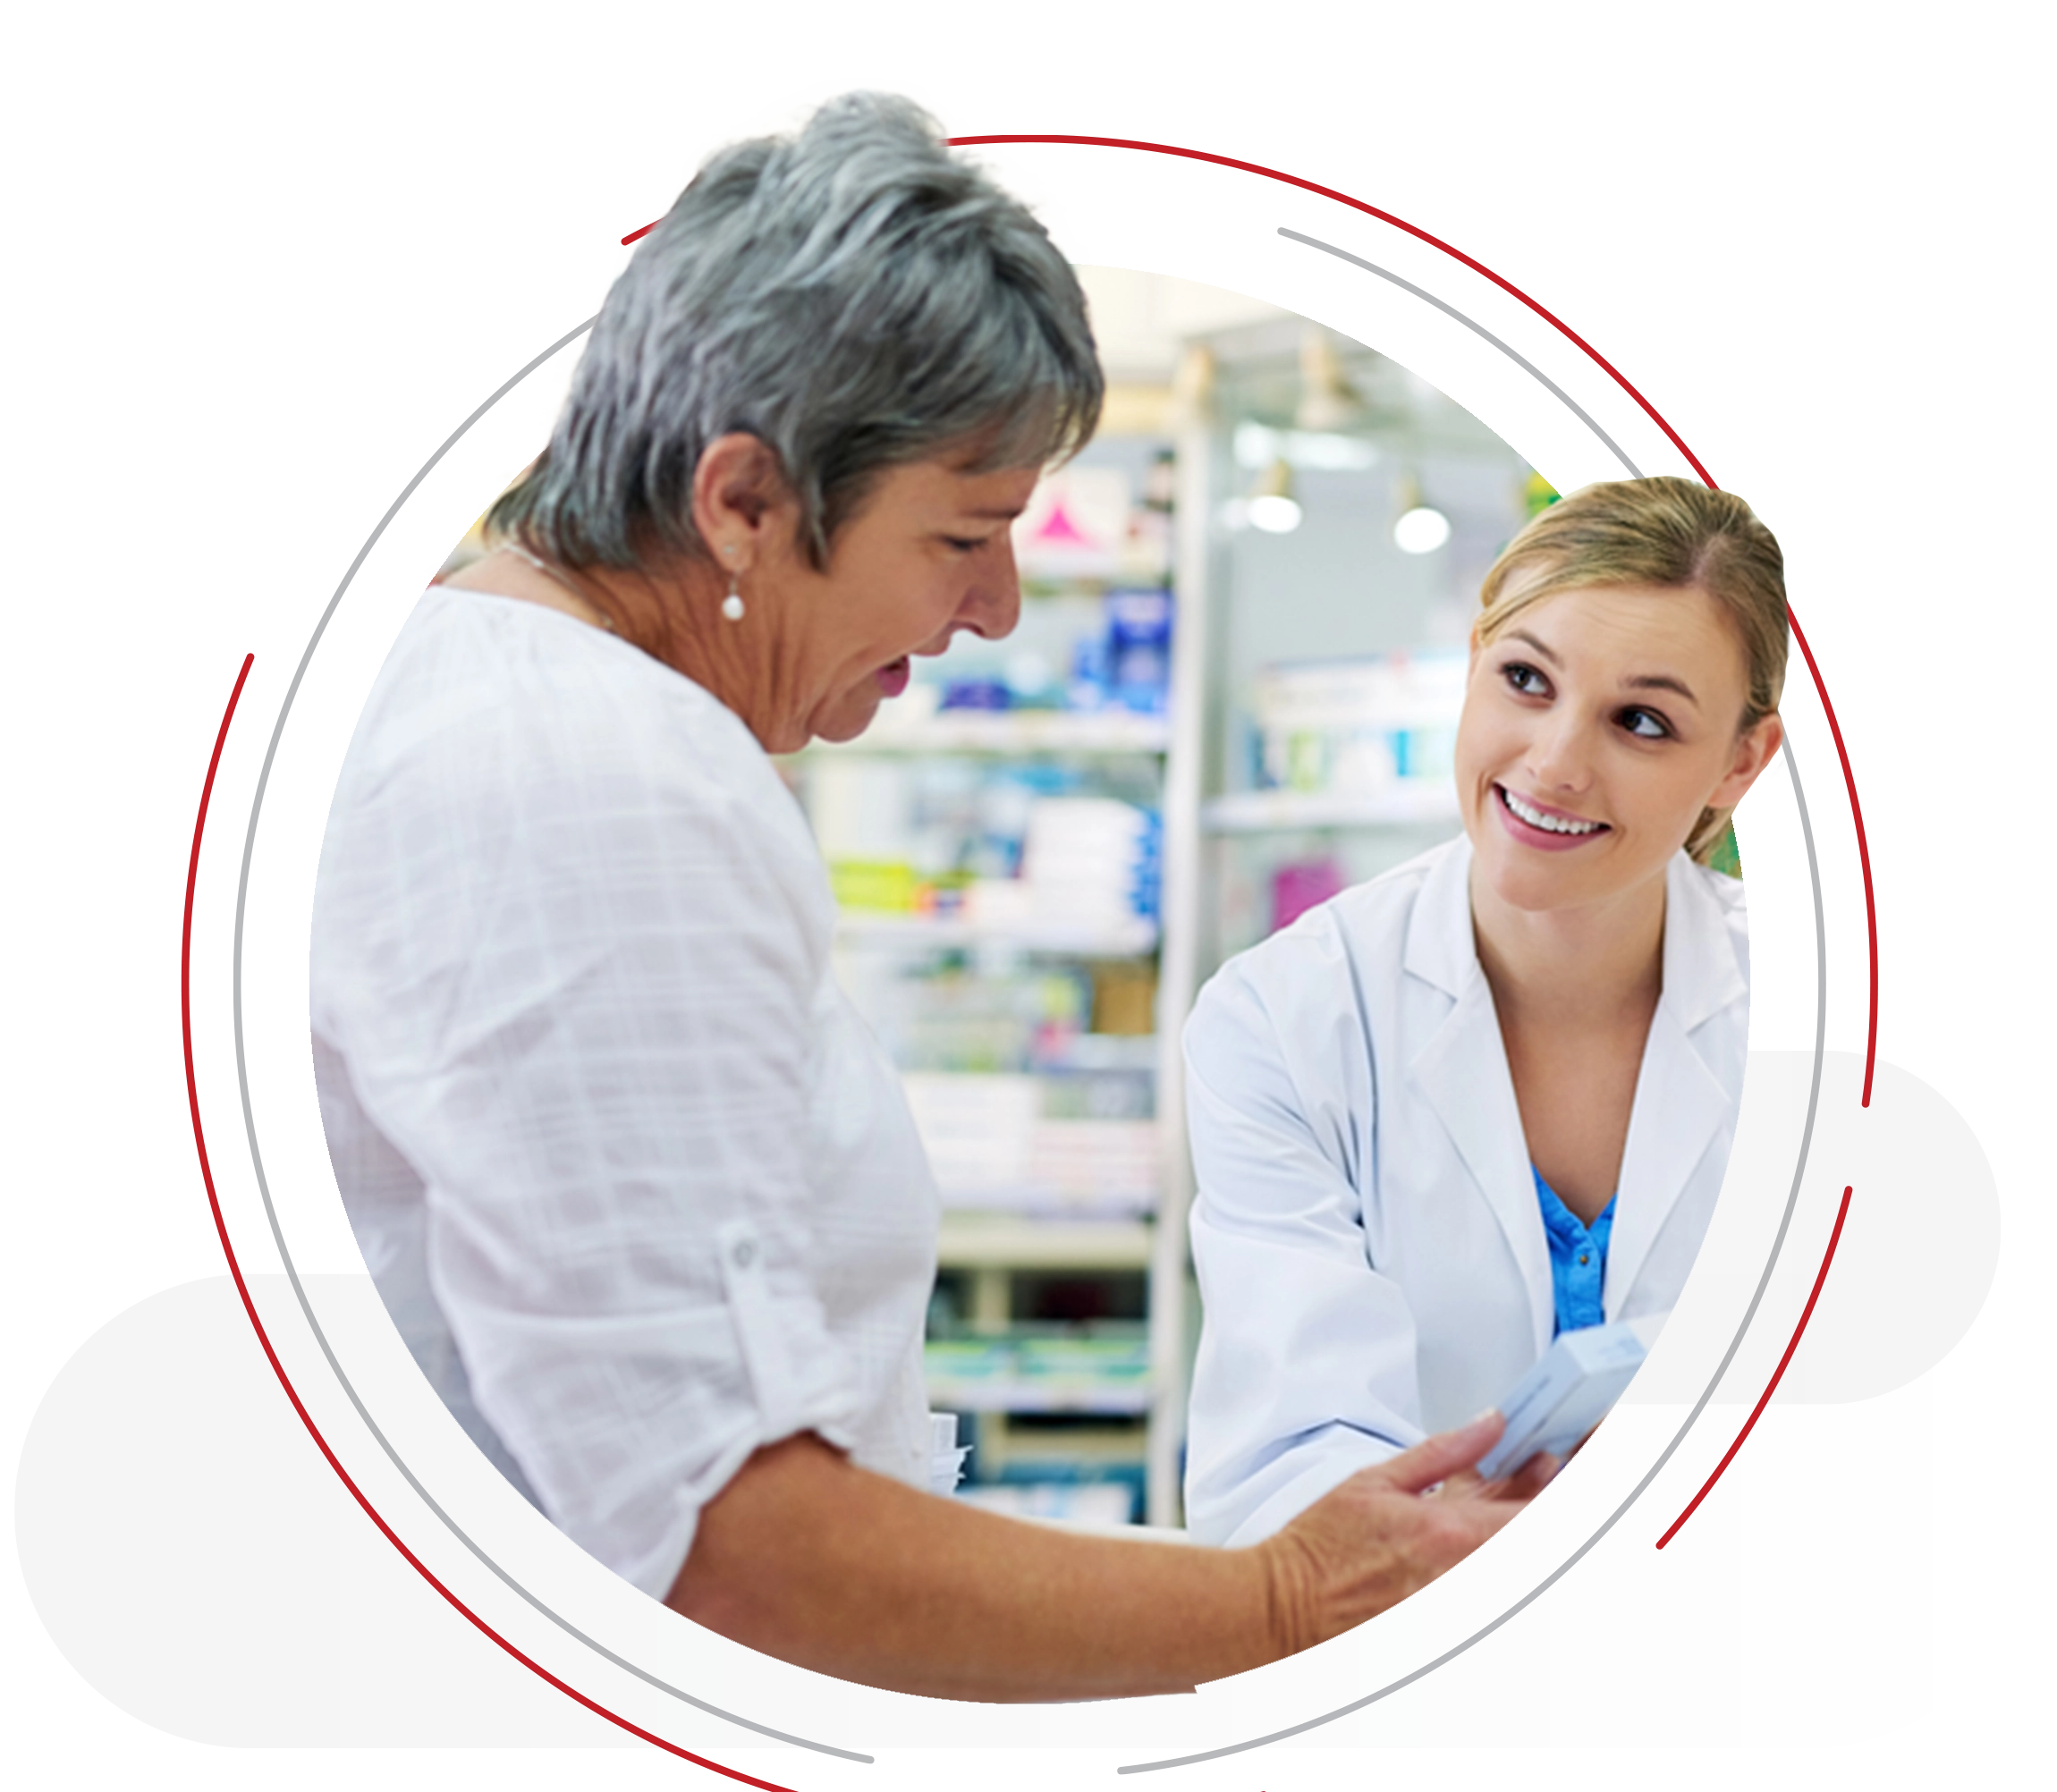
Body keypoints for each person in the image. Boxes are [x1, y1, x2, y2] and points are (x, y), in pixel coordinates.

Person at [306, 89, 1552, 1706]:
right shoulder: (598, 779)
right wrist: (1282, 1604)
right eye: (962, 533)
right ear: (744, 500)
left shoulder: (511, 701)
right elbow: (721, 1541)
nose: (995, 604)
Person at [1181, 476, 1787, 1548]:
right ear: (1472, 664)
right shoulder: (1285, 1019)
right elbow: (1280, 1460)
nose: (1553, 763)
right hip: (1393, 1673)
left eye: (1640, 721)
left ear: (1739, 762)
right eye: (1523, 679)